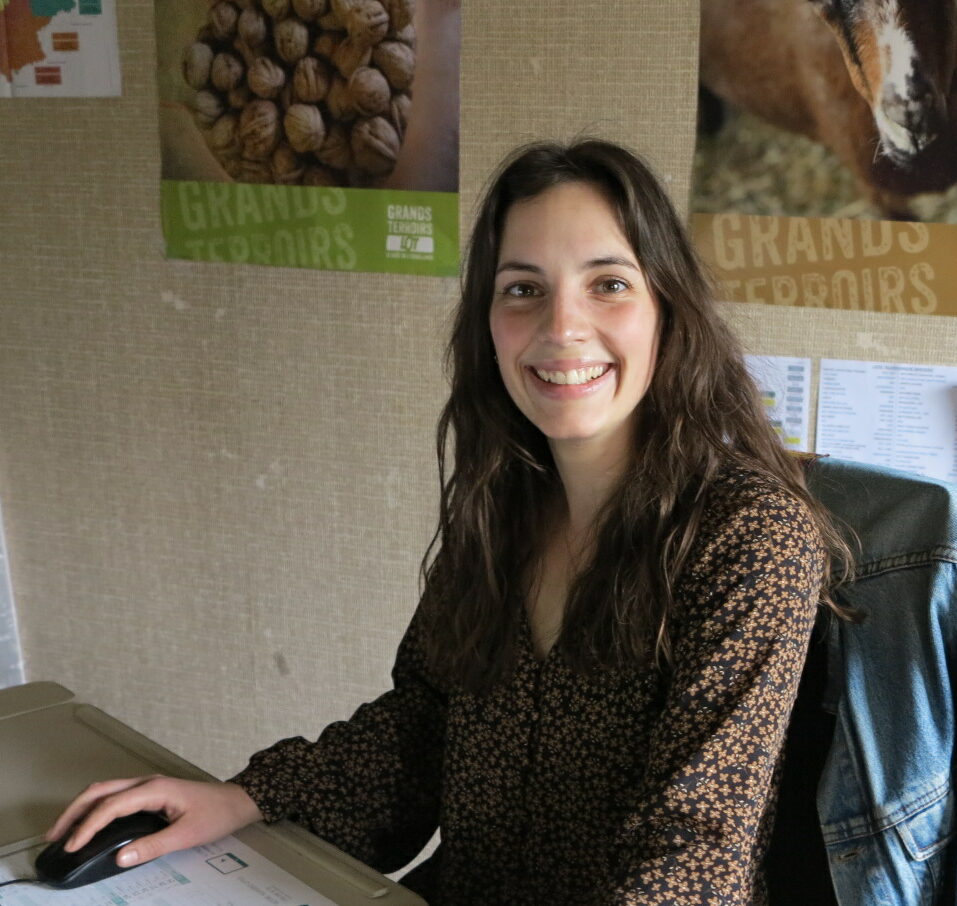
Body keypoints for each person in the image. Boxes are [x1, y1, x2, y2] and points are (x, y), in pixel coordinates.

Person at [46, 139, 852, 905]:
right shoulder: (504, 504)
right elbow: (423, 732)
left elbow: (695, 848)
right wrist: (245, 799)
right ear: (488, 323)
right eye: (523, 288)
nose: (561, 327)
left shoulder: (749, 538)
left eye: (608, 283)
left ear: (668, 309)